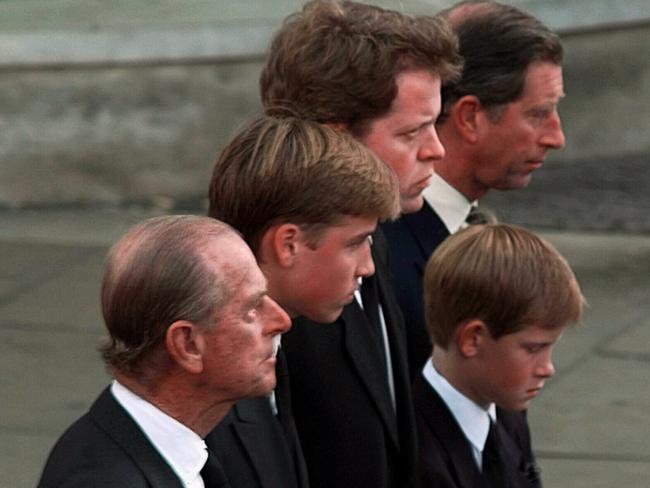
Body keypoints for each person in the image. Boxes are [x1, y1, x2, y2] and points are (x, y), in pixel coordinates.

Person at [259, 2, 462, 487]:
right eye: (412, 131)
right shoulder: (271, 297)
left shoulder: (377, 238)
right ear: (337, 140)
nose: (437, 149)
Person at [206, 114, 400, 488]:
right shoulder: (217, 396)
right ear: (288, 244)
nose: (368, 267)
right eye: (356, 243)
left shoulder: (270, 348)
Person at [381, 0, 567, 378]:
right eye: (537, 114)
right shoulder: (383, 256)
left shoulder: (457, 228)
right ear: (469, 117)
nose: (557, 137)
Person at [37, 215, 291, 488]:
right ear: (187, 345)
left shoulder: (182, 452)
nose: (281, 321)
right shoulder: (101, 479)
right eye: (252, 309)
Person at [415, 223, 584, 487]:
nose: (548, 368)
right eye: (533, 348)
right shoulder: (414, 456)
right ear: (472, 340)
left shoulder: (505, 413)